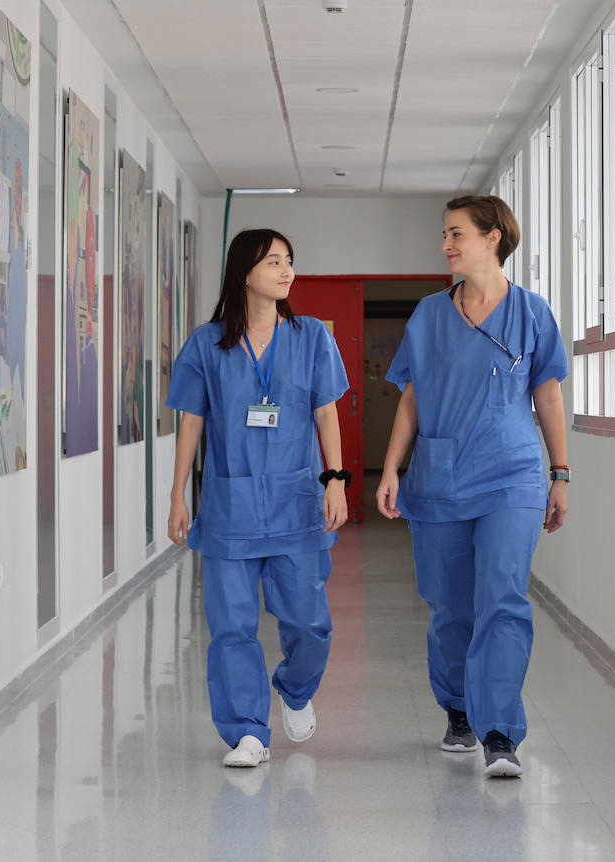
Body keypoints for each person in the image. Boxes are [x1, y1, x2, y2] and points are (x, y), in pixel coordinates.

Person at [376, 195, 570, 778]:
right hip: (439, 477)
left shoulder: (533, 313)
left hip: (513, 474)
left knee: (504, 597)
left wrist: (561, 473)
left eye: (455, 233)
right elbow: (410, 397)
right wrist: (390, 468)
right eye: (444, 234)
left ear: (493, 237)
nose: (445, 245)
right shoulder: (430, 315)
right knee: (451, 605)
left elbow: (548, 395)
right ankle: (459, 708)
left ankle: (499, 730)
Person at [166, 228, 352, 768]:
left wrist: (335, 478)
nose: (286, 270)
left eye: (290, 260)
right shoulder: (207, 344)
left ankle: (294, 689)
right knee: (231, 627)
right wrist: (179, 494)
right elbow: (192, 423)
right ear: (244, 272)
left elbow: (326, 412)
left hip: (297, 502)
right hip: (229, 507)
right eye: (274, 261)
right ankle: (247, 730)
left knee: (310, 624)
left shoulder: (312, 336)